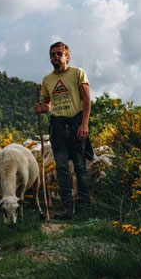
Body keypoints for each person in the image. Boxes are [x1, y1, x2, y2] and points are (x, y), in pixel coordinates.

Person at [34, 41, 92, 220]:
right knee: (61, 168)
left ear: (67, 56)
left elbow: (87, 99)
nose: (55, 57)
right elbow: (48, 105)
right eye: (52, 54)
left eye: (59, 54)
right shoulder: (47, 80)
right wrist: (41, 108)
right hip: (57, 126)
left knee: (81, 167)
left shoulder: (77, 73)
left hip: (75, 124)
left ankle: (84, 206)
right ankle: (67, 207)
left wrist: (84, 124)